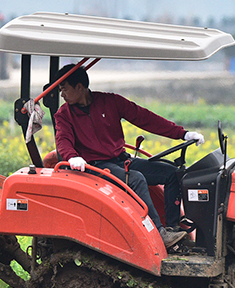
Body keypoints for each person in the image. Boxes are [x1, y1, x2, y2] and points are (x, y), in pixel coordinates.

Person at [51, 64, 205, 249]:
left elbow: (145, 118)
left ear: (79, 87)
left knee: (172, 173)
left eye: (64, 89)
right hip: (96, 167)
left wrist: (183, 134)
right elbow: (63, 140)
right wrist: (72, 157)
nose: (62, 95)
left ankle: (172, 229)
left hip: (121, 160)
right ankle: (159, 234)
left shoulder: (111, 102)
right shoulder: (64, 115)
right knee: (136, 179)